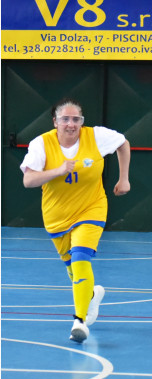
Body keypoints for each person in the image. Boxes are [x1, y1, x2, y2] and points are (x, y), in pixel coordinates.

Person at [20, 98, 131, 343]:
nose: (71, 124)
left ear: (82, 121)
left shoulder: (97, 136)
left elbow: (123, 144)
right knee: (72, 269)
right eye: (66, 119)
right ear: (55, 121)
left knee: (81, 257)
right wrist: (58, 171)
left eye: (76, 119)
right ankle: (90, 296)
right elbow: (29, 181)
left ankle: (79, 321)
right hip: (57, 215)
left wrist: (124, 179)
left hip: (92, 208)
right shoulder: (42, 143)